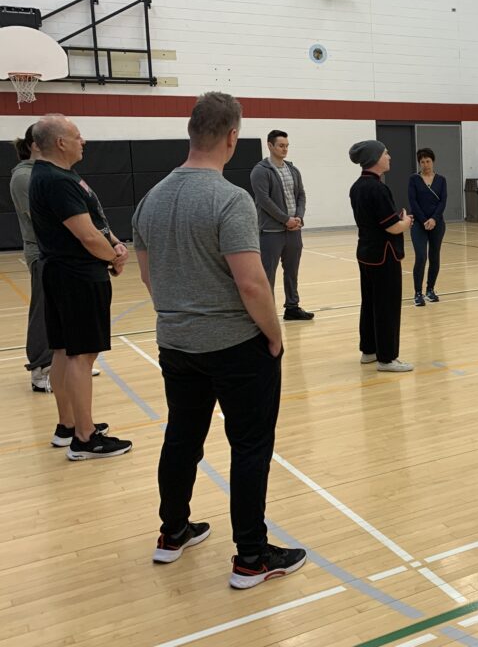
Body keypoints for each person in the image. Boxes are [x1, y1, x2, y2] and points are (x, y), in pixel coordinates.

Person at [133, 92, 306, 588]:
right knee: (249, 447)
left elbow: (149, 279)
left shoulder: (151, 198)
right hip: (235, 347)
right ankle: (251, 556)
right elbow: (252, 284)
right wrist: (274, 337)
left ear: (192, 133)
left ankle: (172, 533)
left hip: (176, 345)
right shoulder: (229, 199)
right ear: (232, 137)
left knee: (181, 438)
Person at [29, 115, 131, 459]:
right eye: (77, 136)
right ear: (60, 142)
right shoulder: (55, 180)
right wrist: (111, 258)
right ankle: (85, 439)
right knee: (81, 354)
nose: (83, 141)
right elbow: (86, 235)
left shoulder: (61, 175)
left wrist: (114, 244)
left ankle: (68, 426)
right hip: (76, 275)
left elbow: (96, 222)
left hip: (65, 272)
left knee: (63, 350)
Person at [349, 141, 414, 372]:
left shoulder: (357, 186)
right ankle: (387, 358)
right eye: (386, 153)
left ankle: (369, 350)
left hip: (366, 253)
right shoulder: (377, 188)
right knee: (387, 305)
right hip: (384, 255)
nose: (389, 157)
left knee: (369, 303)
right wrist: (405, 222)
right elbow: (392, 227)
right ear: (375, 158)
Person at [250, 130, 313, 320]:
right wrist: (286, 219)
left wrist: (299, 218)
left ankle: (292, 308)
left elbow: (301, 195)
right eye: (281, 146)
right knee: (267, 274)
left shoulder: (293, 170)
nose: (285, 149)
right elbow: (264, 201)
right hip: (271, 232)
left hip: (294, 230)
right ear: (270, 146)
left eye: (287, 146)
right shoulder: (260, 171)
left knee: (292, 271)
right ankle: (265, 312)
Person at [10, 125, 53, 392]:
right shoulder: (25, 177)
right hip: (42, 254)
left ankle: (61, 364)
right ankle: (40, 368)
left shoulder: (47, 173)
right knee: (43, 311)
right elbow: (44, 220)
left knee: (60, 311)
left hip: (58, 255)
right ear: (35, 145)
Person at [407, 147, 448, 306]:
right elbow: (413, 201)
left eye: (428, 161)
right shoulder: (413, 179)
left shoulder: (441, 180)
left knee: (434, 256)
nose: (425, 164)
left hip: (437, 223)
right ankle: (418, 293)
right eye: (422, 161)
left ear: (433, 161)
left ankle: (430, 289)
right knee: (421, 256)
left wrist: (434, 219)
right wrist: (424, 219)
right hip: (418, 223)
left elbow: (443, 201)